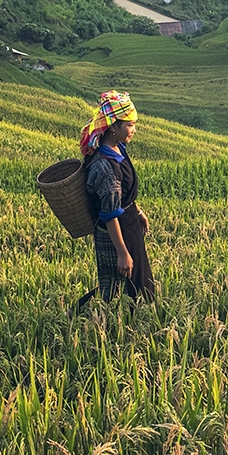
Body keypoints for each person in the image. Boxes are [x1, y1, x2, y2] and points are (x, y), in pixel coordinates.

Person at [75, 90, 156, 308]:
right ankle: (83, 316)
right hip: (116, 233)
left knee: (138, 284)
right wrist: (122, 253)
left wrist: (137, 212)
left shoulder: (118, 148)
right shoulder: (105, 166)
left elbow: (123, 195)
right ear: (113, 126)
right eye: (129, 125)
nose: (134, 129)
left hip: (129, 225)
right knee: (114, 289)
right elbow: (110, 214)